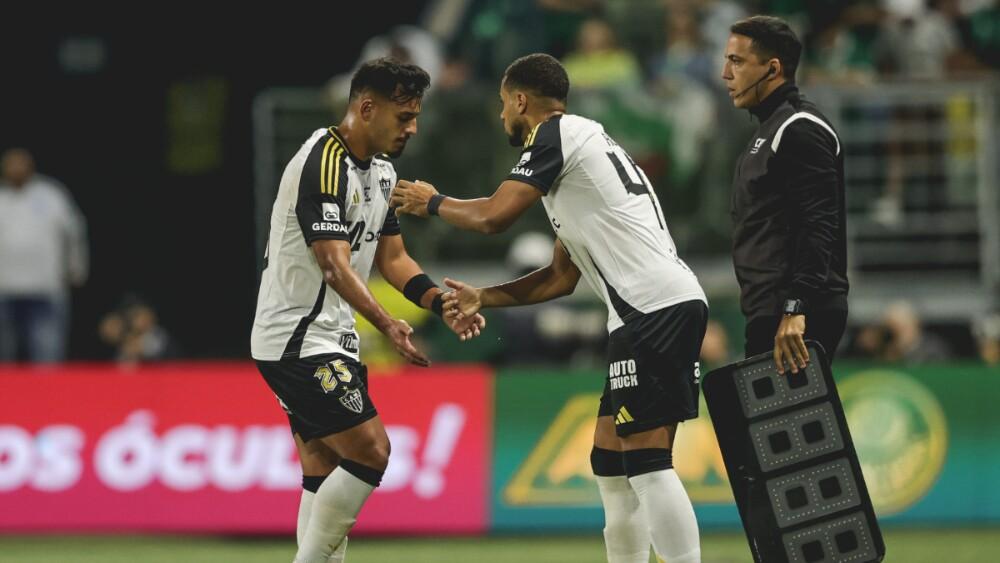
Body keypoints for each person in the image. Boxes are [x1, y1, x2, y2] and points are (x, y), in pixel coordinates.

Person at [392, 53, 706, 563]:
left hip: (654, 307)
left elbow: (493, 216)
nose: (501, 115)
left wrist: (433, 202)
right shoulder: (579, 151)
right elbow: (561, 277)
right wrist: (485, 296)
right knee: (610, 462)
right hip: (647, 309)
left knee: (647, 461)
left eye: (502, 104)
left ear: (520, 100)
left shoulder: (556, 135)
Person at [250, 58, 484, 563]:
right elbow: (333, 265)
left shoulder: (381, 173)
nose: (412, 128)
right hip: (297, 338)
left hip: (332, 337)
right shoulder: (322, 162)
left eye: (415, 116)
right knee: (372, 452)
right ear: (368, 108)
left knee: (323, 470)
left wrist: (438, 303)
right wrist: (386, 323)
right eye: (404, 117)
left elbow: (393, 258)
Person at [722, 16, 849, 374]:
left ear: (773, 68)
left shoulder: (799, 129)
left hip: (794, 317)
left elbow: (818, 225)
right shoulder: (771, 128)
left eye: (737, 61)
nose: (725, 74)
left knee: (793, 413)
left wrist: (797, 307)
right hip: (772, 311)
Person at [0, 148, 89, 362]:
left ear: (30, 167)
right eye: (11, 165)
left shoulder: (51, 195)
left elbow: (74, 233)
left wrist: (76, 267)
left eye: (20, 164)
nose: (16, 169)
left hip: (45, 286)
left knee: (47, 356)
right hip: (4, 287)